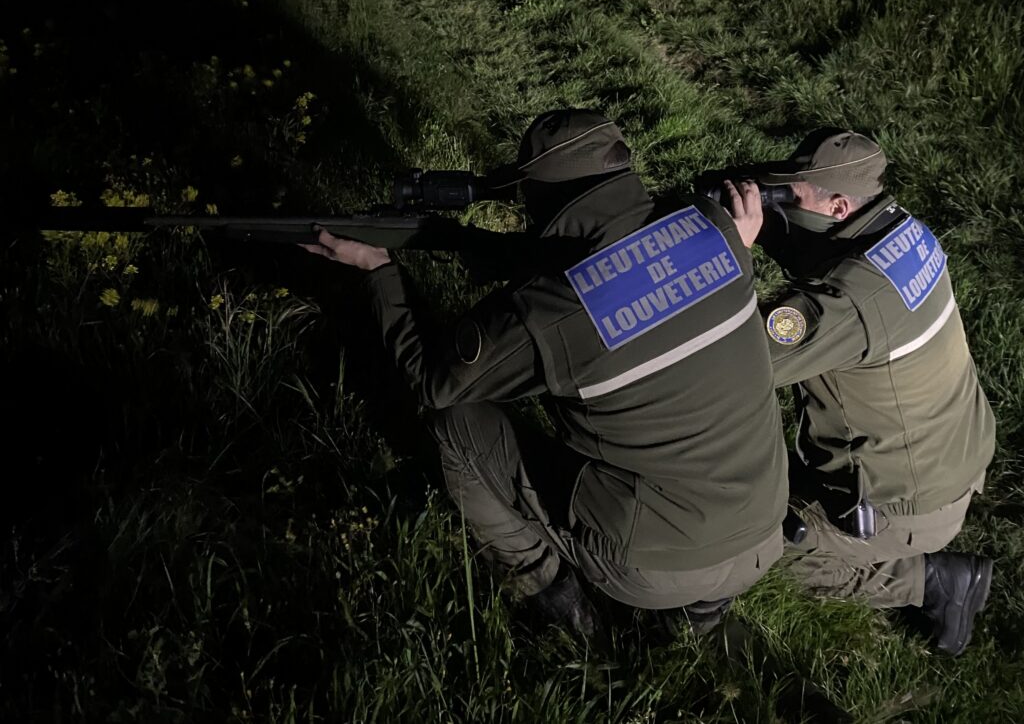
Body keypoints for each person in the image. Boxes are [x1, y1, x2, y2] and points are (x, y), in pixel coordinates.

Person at [304, 109, 788, 639]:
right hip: (764, 536)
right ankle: (699, 615)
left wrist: (379, 273)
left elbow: (432, 383)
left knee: (457, 427)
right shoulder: (717, 234)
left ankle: (555, 599)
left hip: (652, 568)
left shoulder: (553, 309)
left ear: (536, 199)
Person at [737, 128, 996, 656]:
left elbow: (736, 361)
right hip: (951, 459)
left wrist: (734, 251)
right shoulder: (902, 231)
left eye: (796, 196)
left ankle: (931, 580)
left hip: (904, 505)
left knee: (742, 552)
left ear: (837, 204)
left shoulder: (850, 302)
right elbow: (825, 255)